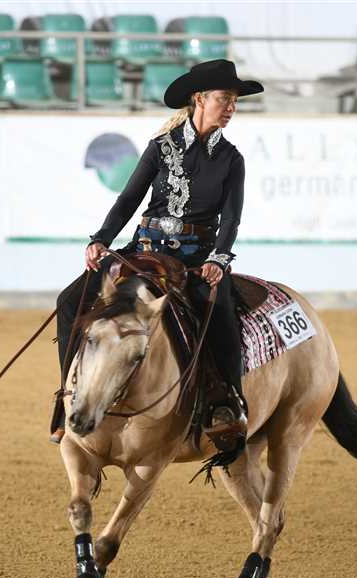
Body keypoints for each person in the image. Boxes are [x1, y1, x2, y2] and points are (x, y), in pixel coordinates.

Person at [52, 59, 263, 450]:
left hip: (197, 260)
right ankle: (69, 395)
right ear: (200, 99)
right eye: (225, 98)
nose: (231, 107)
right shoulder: (161, 147)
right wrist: (101, 239)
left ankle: (226, 401)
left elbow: (231, 218)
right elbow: (128, 199)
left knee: (220, 314)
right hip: (143, 250)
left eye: (235, 101)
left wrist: (219, 259)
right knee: (69, 301)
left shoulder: (231, 159)